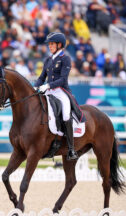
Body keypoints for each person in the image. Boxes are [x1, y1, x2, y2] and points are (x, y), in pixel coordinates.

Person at [34, 32, 78, 161]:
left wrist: (48, 86)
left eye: (52, 44)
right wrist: (35, 87)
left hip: (61, 91)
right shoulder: (48, 60)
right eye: (49, 44)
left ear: (60, 45)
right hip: (49, 91)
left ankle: (71, 149)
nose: (50, 46)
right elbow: (42, 77)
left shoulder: (65, 58)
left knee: (65, 113)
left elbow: (63, 80)